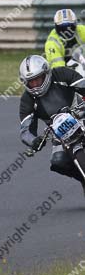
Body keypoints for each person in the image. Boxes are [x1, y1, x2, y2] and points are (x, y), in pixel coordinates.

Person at [18, 55, 85, 192]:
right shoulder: (27, 100)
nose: (35, 84)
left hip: (81, 113)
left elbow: (82, 85)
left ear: (46, 73)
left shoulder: (62, 74)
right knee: (58, 162)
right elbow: (25, 130)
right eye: (31, 81)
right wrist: (34, 141)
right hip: (59, 133)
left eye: (38, 79)